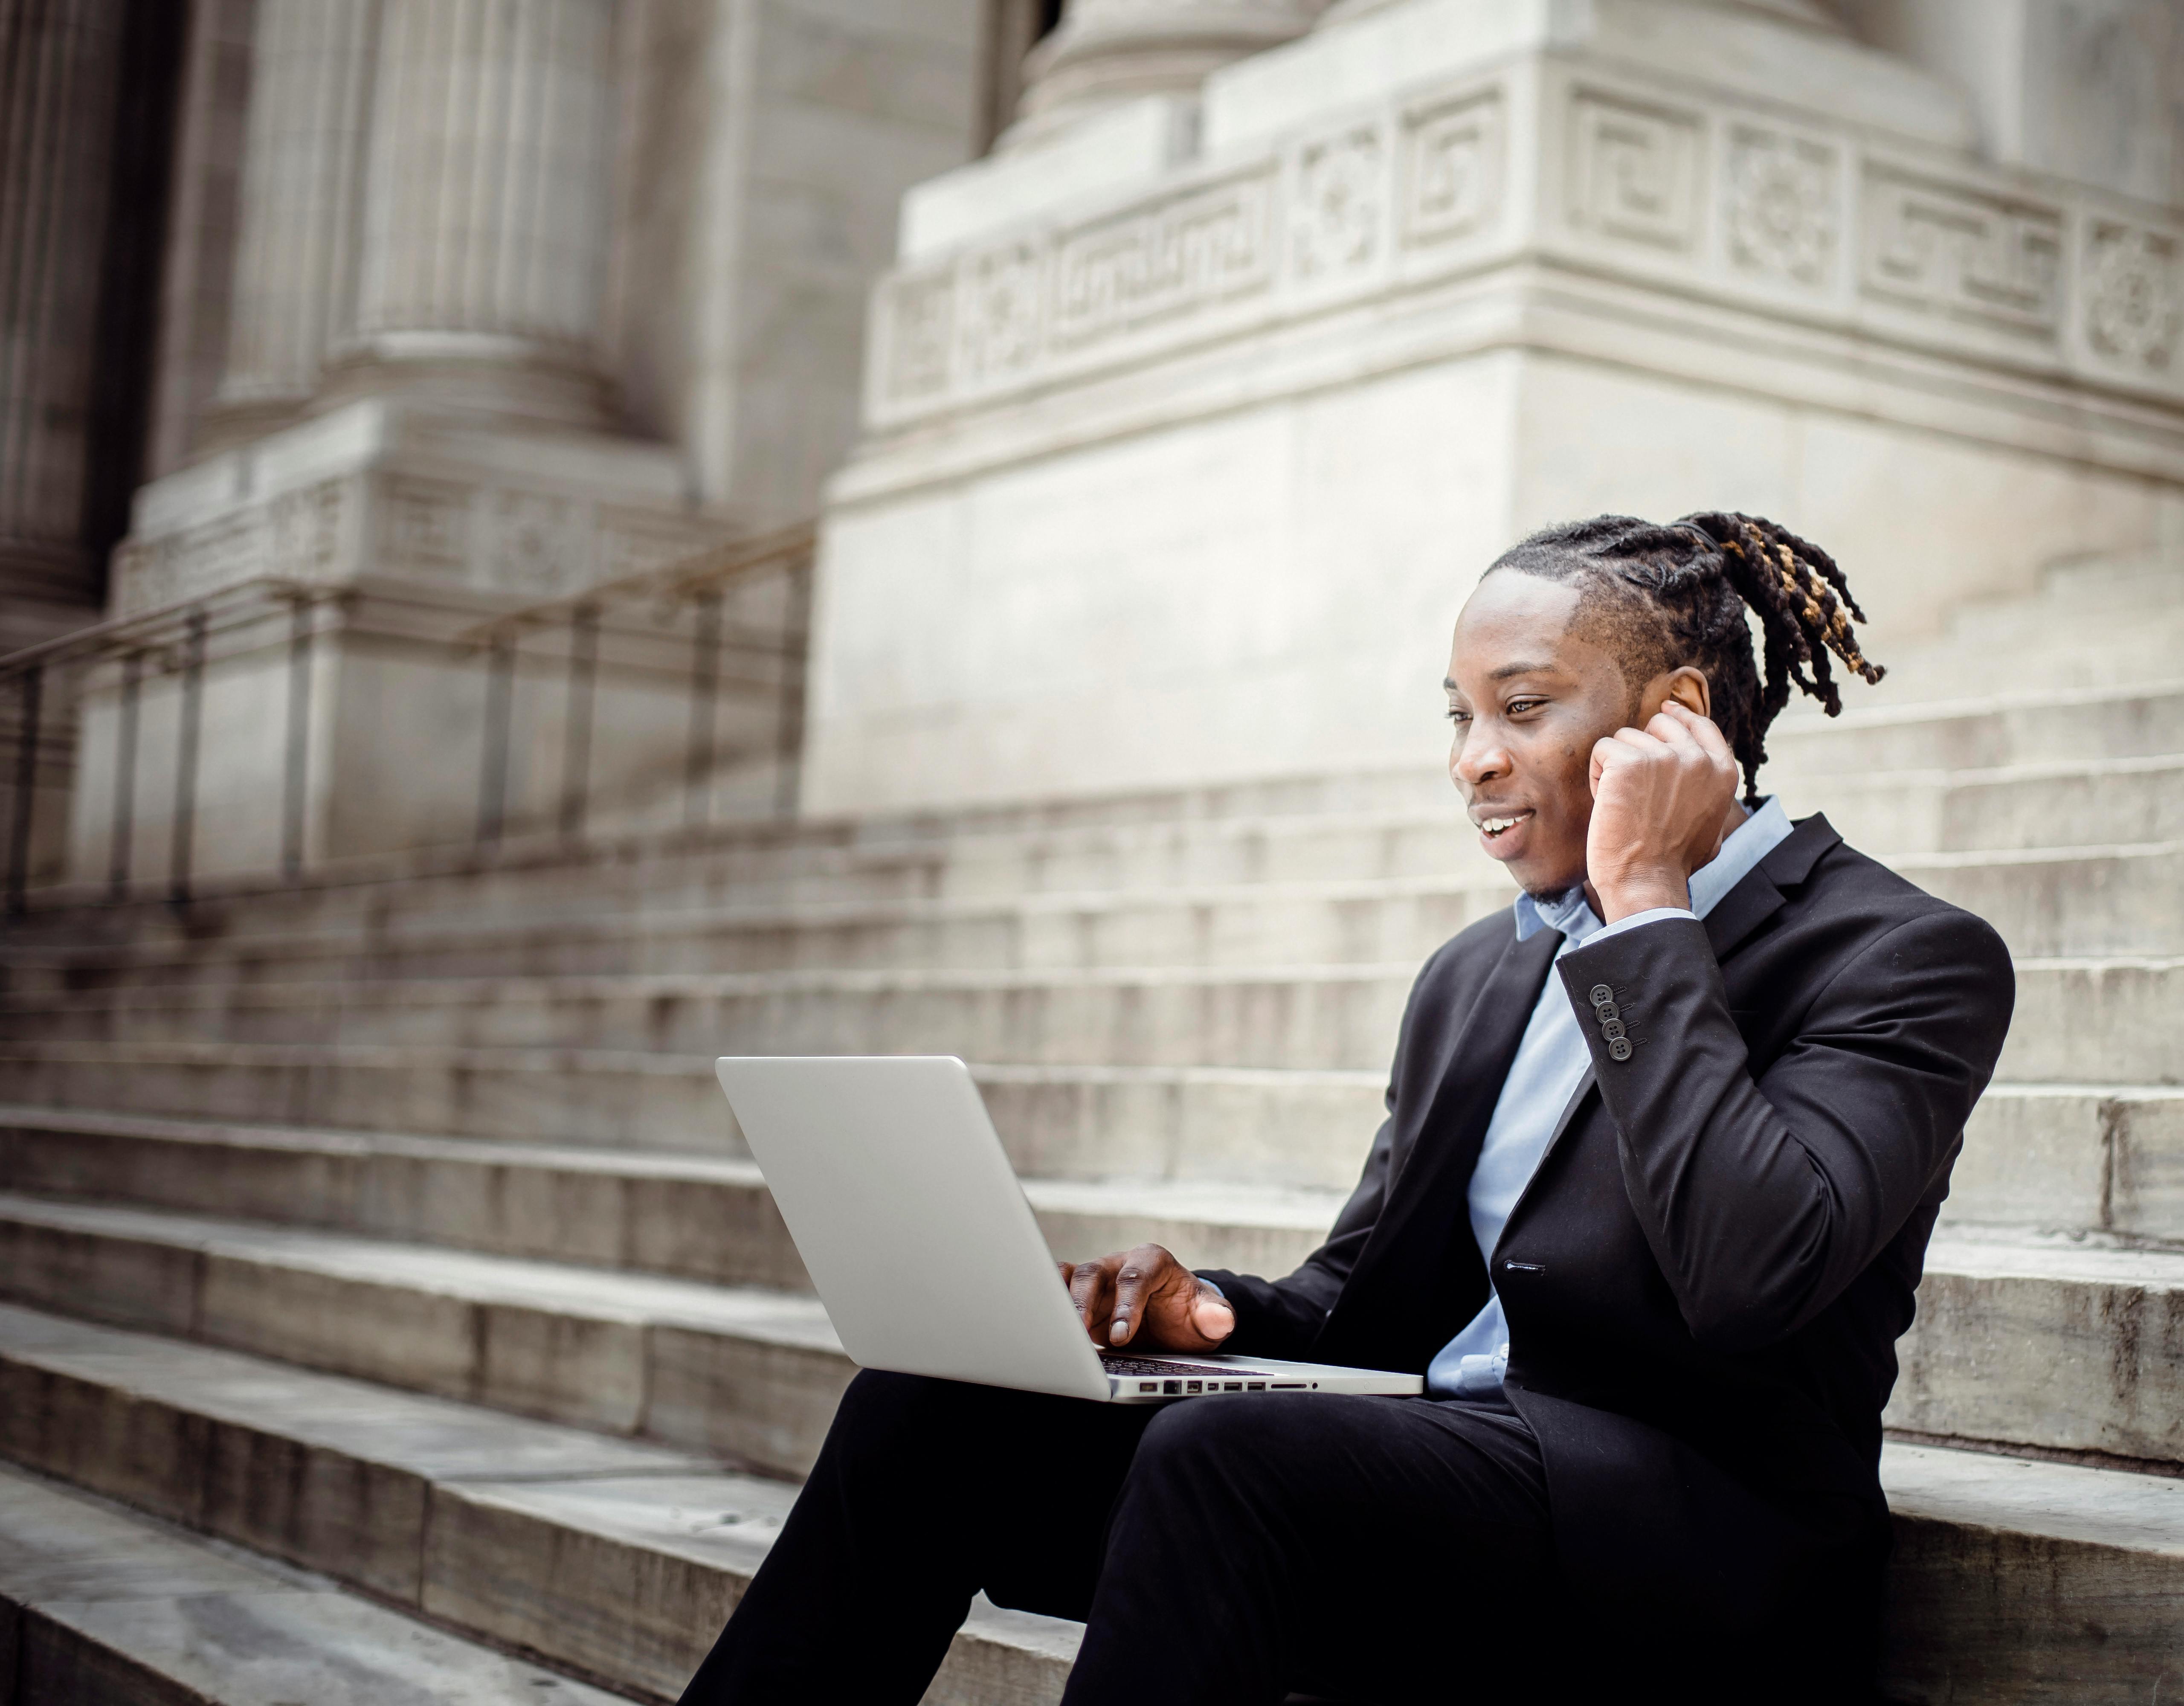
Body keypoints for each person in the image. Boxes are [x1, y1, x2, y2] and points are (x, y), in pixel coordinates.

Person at [679, 511, 2015, 1704]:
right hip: (1441, 1492)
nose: (1474, 763)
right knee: (937, 1405)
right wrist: (1199, 1310)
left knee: (1226, 1463)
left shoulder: (1898, 955)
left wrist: (1645, 910)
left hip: (1697, 1539)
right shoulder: (1475, 977)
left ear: (1672, 718)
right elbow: (1364, 1300)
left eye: (1525, 707)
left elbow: (1752, 1271)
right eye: (1459, 716)